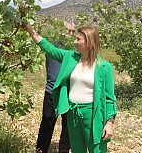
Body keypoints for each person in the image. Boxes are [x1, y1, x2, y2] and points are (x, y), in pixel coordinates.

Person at [23, 23, 117, 153]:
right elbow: (49, 49)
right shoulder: (70, 57)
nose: (75, 41)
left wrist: (109, 122)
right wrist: (30, 31)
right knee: (77, 150)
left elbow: (109, 98)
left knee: (97, 150)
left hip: (92, 114)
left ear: (89, 43)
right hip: (73, 113)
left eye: (78, 39)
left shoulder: (104, 67)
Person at [36, 22, 75, 153]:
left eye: (73, 32)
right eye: (68, 31)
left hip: (69, 93)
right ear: (59, 31)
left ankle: (63, 150)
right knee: (47, 122)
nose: (71, 34)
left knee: (68, 127)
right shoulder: (52, 48)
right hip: (52, 91)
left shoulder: (75, 52)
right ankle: (41, 149)